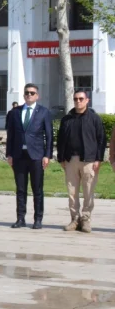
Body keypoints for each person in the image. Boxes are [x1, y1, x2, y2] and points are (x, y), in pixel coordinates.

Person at [5, 82, 53, 229]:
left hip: (37, 155)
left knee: (37, 189)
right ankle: (20, 218)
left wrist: (47, 155)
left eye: (32, 93)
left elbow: (49, 136)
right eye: (27, 93)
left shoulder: (43, 112)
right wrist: (9, 154)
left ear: (37, 96)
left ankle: (38, 219)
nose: (29, 95)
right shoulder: (15, 112)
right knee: (21, 189)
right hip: (19, 155)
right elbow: (11, 135)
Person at [60, 90, 106, 232]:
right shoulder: (67, 119)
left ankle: (85, 219)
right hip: (71, 160)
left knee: (88, 191)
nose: (78, 101)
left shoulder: (94, 119)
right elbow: (61, 140)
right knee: (72, 192)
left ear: (87, 100)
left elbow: (101, 140)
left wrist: (98, 159)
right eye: (75, 99)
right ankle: (74, 219)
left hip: (89, 160)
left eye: (81, 99)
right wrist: (61, 158)